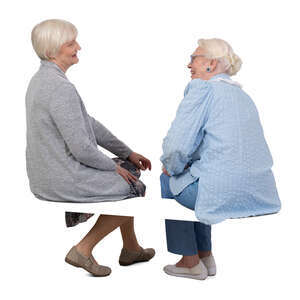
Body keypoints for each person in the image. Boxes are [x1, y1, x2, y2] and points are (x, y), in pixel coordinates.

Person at [26, 19, 155, 277]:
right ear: (52, 51)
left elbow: (89, 124)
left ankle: (130, 248)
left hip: (47, 174)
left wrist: (126, 153)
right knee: (134, 186)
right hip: (61, 177)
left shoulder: (41, 80)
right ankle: (83, 250)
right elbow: (82, 148)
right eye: (71, 43)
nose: (79, 47)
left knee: (128, 169)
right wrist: (113, 167)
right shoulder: (59, 88)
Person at [160, 38, 281, 280]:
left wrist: (170, 167)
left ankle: (190, 261)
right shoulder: (242, 97)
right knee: (197, 173)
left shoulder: (202, 89)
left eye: (194, 58)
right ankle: (205, 256)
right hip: (259, 195)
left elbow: (176, 147)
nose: (188, 64)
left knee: (168, 178)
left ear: (211, 64)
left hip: (222, 194)